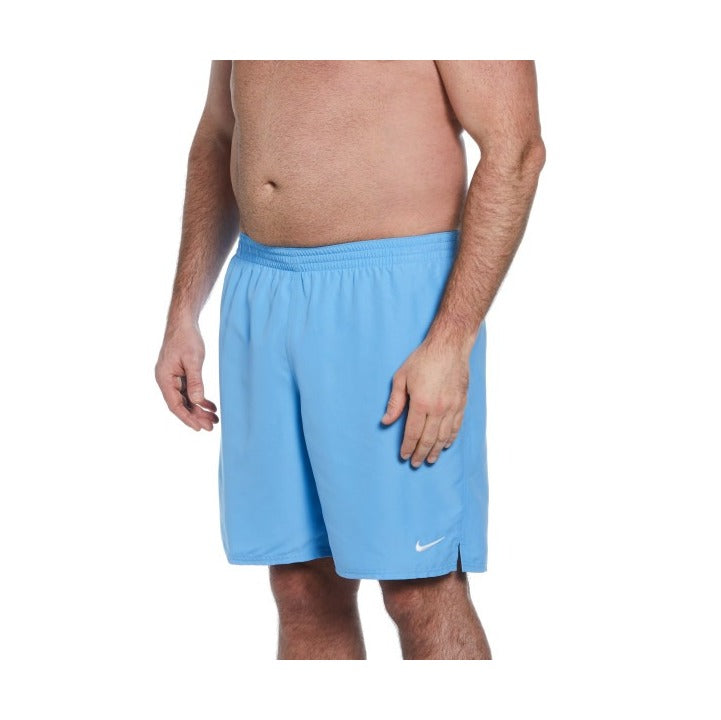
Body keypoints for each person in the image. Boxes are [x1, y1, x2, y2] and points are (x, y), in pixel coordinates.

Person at [155, 60, 545, 660]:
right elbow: (219, 132)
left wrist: (450, 340)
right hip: (263, 290)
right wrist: (184, 311)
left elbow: (516, 151)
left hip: (396, 302)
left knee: (419, 588)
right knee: (301, 585)